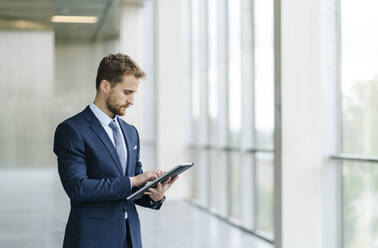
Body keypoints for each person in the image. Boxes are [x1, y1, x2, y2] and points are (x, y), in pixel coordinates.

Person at [53, 53, 178, 248]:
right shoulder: (72, 130)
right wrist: (133, 181)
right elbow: (78, 188)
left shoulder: (130, 132)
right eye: (127, 92)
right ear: (105, 86)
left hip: (130, 238)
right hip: (92, 240)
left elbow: (132, 187)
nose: (132, 101)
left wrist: (155, 196)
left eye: (134, 93)